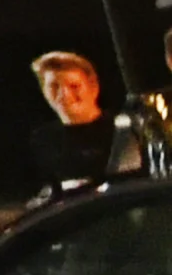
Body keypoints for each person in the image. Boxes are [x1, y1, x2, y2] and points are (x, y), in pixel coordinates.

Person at [31, 50, 157, 188]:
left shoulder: (128, 129)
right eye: (54, 86)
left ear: (93, 87)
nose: (64, 94)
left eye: (74, 86)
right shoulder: (42, 141)